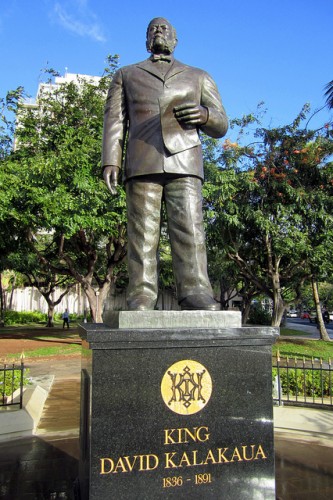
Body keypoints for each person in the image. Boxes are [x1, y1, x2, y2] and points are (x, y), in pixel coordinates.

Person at [102, 17, 228, 311]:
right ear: (146, 39)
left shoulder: (198, 76)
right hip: (142, 159)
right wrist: (111, 160)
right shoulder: (126, 74)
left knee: (190, 229)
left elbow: (221, 123)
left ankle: (195, 290)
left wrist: (204, 115)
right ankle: (142, 292)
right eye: (153, 29)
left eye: (165, 29)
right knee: (142, 233)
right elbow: (115, 120)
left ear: (175, 39)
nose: (159, 31)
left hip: (185, 160)